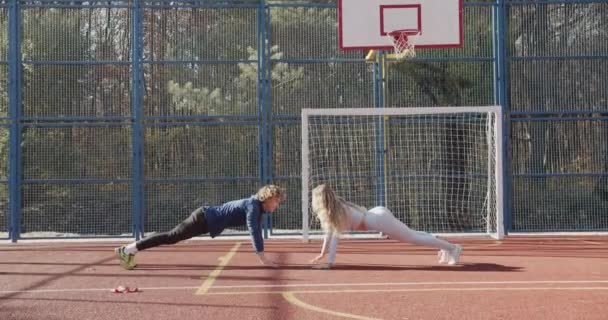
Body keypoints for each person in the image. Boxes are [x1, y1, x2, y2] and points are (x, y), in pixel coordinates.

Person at [115, 184, 286, 270]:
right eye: (276, 201)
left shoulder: (257, 207)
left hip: (205, 221)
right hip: (202, 218)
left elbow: (256, 227)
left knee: (171, 237)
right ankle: (128, 249)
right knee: (171, 237)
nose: (277, 205)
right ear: (268, 198)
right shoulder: (253, 206)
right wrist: (263, 258)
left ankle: (130, 250)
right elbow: (254, 230)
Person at [309, 184, 462, 269]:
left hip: (377, 220)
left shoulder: (336, 212)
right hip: (376, 214)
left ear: (321, 201)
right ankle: (443, 245)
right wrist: (322, 254)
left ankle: (452, 248)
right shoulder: (336, 208)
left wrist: (329, 262)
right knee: (412, 234)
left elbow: (334, 237)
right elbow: (329, 233)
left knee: (413, 238)